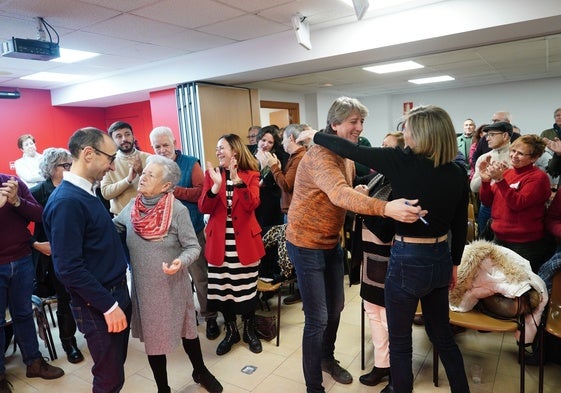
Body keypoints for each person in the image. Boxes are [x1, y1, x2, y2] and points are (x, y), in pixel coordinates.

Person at [305, 103, 470, 393]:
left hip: (408, 258)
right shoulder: (457, 171)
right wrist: (454, 264)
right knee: (442, 335)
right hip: (441, 257)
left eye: (407, 127)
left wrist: (313, 134)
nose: (403, 131)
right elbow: (459, 226)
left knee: (401, 340)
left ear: (422, 133)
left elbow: (349, 149)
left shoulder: (401, 161)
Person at [286, 96, 423, 393]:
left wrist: (357, 188)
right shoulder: (320, 154)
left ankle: (326, 357)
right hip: (306, 244)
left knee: (335, 309)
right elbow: (337, 193)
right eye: (353, 122)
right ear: (334, 124)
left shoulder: (343, 153)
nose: (359, 127)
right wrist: (385, 208)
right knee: (317, 317)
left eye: (362, 122)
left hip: (330, 242)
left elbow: (343, 189)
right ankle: (314, 386)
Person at [114, 155, 222, 393]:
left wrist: (179, 262)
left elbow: (193, 247)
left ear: (165, 186)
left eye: (150, 175)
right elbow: (116, 226)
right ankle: (163, 388)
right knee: (154, 343)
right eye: (145, 173)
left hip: (173, 284)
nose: (143, 176)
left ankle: (200, 370)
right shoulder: (134, 205)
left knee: (188, 333)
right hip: (145, 289)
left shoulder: (177, 210)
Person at [43, 127, 131, 393]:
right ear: (89, 153)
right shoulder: (67, 202)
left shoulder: (87, 192)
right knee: (109, 378)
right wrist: (108, 306)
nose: (112, 165)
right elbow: (68, 268)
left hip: (114, 291)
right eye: (110, 158)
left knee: (115, 369)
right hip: (99, 302)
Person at [198, 133, 266, 356]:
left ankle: (248, 330)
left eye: (222, 148)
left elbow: (252, 204)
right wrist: (216, 187)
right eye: (216, 148)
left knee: (246, 290)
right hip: (219, 244)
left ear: (234, 151)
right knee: (224, 290)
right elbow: (204, 208)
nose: (217, 151)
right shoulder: (212, 175)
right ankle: (230, 332)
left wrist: (237, 181)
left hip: (244, 243)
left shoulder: (251, 174)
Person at [149, 126, 219, 341]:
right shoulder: (152, 167)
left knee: (200, 278)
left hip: (191, 231)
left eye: (165, 145)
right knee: (173, 281)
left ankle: (210, 317)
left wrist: (173, 190)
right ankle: (183, 318)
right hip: (164, 234)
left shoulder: (191, 163)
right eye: (157, 146)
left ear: (175, 143)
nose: (162, 150)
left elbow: (200, 192)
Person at [0, 174, 65, 393]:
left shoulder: (11, 182)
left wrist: (17, 201)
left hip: (21, 259)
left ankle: (34, 363)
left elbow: (39, 214)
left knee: (24, 315)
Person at [356, 131, 404, 392]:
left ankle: (397, 372)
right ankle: (381, 365)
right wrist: (362, 193)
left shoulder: (402, 184)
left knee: (388, 319)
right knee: (372, 313)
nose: (380, 150)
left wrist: (364, 204)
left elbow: (386, 229)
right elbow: (355, 180)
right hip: (369, 257)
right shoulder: (379, 177)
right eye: (381, 146)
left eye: (387, 147)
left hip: (388, 259)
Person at [30, 148, 84, 364]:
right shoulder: (36, 193)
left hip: (79, 252)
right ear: (52, 168)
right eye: (65, 165)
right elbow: (17, 227)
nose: (70, 169)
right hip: (52, 257)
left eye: (70, 164)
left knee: (83, 294)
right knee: (65, 298)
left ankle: (89, 331)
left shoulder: (75, 188)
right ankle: (68, 341)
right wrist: (36, 244)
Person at [478, 134, 554, 272]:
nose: (514, 156)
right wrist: (485, 181)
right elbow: (487, 201)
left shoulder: (538, 178)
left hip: (524, 244)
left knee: (519, 286)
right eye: (513, 151)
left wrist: (500, 181)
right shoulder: (508, 173)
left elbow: (518, 204)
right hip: (499, 237)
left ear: (534, 157)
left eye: (520, 153)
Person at [471, 122, 513, 238]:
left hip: (510, 205)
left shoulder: (516, 157)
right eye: (487, 135)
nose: (487, 138)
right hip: (487, 206)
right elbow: (473, 187)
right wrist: (486, 176)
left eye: (492, 134)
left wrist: (504, 175)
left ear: (505, 136)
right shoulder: (484, 158)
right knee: (483, 243)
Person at [101, 121, 151, 215]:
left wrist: (141, 172)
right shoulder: (107, 162)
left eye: (127, 134)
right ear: (112, 140)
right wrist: (128, 180)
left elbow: (158, 189)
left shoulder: (149, 158)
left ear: (133, 136)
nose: (124, 139)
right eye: (119, 136)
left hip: (148, 217)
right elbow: (106, 193)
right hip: (120, 220)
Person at [254, 125, 287, 234]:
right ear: (258, 139)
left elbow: (267, 181)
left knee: (271, 234)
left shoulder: (276, 157)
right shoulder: (249, 154)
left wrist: (264, 168)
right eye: (263, 140)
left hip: (271, 202)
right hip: (252, 201)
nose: (265, 144)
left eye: (270, 142)